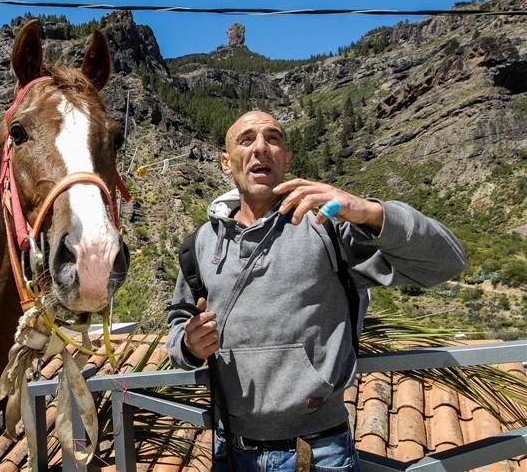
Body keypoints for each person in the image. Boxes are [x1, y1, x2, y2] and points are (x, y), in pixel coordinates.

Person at [166, 110, 467, 471]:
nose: (261, 147)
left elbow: (445, 262)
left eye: (273, 138)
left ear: (287, 159)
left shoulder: (328, 226)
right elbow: (178, 327)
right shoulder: (198, 245)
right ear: (226, 163)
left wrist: (368, 211)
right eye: (246, 140)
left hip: (318, 451)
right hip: (229, 450)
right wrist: (188, 344)